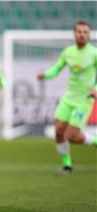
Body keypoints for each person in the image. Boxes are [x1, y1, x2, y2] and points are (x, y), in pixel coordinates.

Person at [37, 20, 97, 174]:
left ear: (89, 35)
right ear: (74, 33)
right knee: (58, 132)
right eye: (79, 32)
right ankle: (67, 166)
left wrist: (95, 89)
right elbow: (56, 69)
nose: (82, 35)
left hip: (83, 100)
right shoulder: (68, 52)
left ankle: (94, 140)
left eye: (85, 32)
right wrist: (45, 75)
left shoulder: (94, 53)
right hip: (68, 98)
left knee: (70, 136)